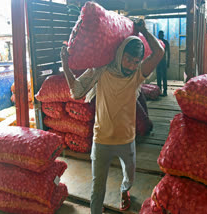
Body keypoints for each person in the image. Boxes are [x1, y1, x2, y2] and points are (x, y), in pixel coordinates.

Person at [60, 19, 164, 214]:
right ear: (120, 53)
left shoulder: (137, 75)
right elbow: (76, 92)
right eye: (128, 59)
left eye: (136, 62)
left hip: (127, 139)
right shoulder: (101, 70)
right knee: (97, 188)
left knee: (130, 175)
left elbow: (159, 53)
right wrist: (65, 65)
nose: (132, 65)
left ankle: (124, 191)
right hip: (102, 141)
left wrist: (144, 32)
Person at [156, 30, 170, 96]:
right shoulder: (157, 42)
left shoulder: (165, 42)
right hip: (158, 61)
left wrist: (168, 62)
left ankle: (165, 91)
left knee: (164, 77)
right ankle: (159, 90)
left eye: (161, 35)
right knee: (159, 77)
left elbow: (168, 53)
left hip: (162, 61)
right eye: (159, 35)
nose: (160, 36)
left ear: (162, 35)